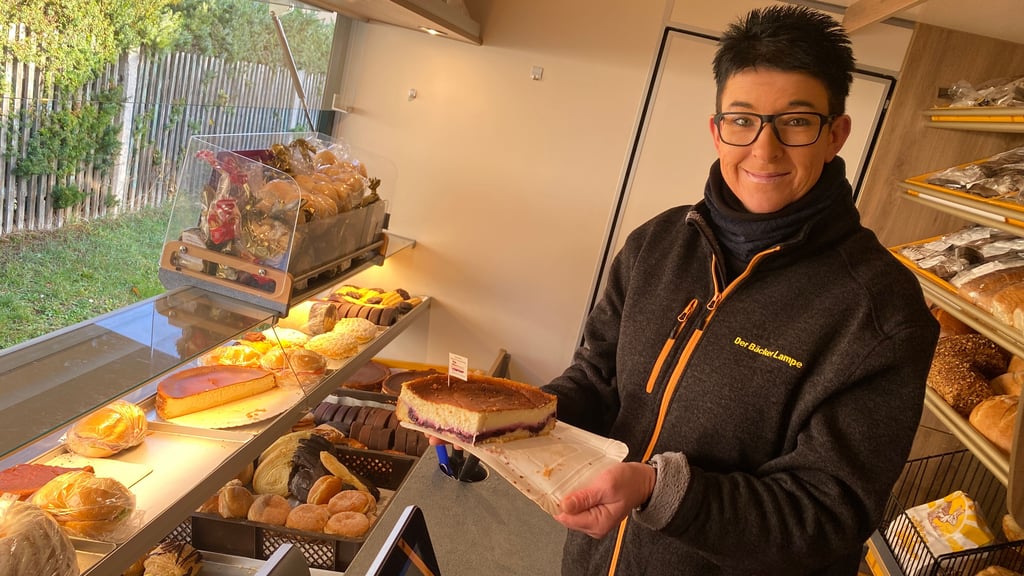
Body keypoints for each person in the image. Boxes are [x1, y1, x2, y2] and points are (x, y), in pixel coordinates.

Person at [541, 5, 939, 575]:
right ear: (717, 130)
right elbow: (598, 379)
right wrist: (517, 418)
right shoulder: (656, 244)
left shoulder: (879, 310)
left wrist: (658, 490)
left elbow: (830, 510)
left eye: (796, 122)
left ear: (836, 135)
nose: (764, 149)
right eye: (742, 120)